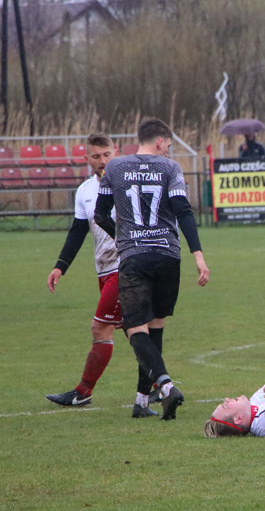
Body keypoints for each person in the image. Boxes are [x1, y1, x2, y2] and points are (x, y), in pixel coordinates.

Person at [94, 117, 210, 421]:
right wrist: (198, 254)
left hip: (135, 256)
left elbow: (100, 213)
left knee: (135, 329)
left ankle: (166, 386)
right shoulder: (170, 168)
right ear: (160, 142)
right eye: (169, 146)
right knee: (155, 326)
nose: (169, 152)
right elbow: (183, 211)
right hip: (168, 256)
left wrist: (122, 238)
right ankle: (142, 400)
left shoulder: (115, 167)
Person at [45, 134, 158, 417]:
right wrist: (61, 265)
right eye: (96, 156)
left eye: (107, 154)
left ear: (116, 152)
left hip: (126, 268)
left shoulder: (127, 183)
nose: (102, 161)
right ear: (87, 159)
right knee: (133, 329)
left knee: (101, 328)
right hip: (104, 270)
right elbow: (78, 231)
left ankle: (83, 392)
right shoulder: (84, 191)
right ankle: (159, 383)